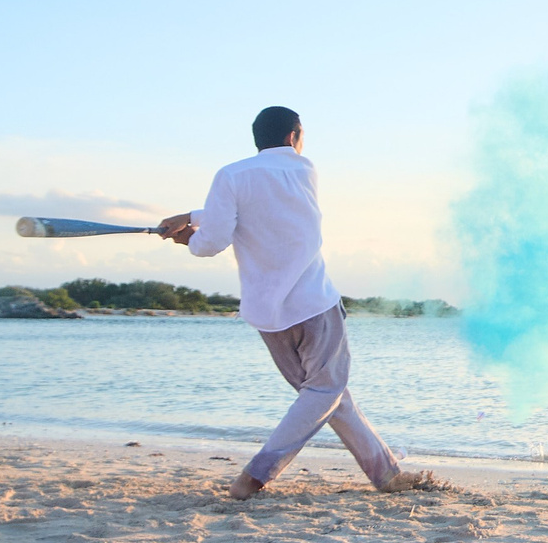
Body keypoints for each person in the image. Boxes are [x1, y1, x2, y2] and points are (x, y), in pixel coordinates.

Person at [157, 105, 434, 500]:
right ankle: (254, 477)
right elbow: (262, 206)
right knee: (324, 393)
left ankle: (386, 473)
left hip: (269, 316)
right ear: (293, 136)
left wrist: (189, 231)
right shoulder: (306, 171)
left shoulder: (230, 176)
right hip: (313, 305)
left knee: (326, 396)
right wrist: (194, 223)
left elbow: (217, 237)